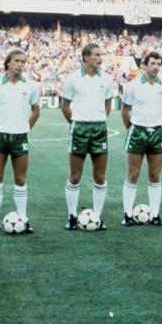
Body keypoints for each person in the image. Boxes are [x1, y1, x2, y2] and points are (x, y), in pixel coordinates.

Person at [0, 50, 40, 232]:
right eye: (16, 61)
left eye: (23, 61)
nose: (20, 64)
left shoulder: (30, 86)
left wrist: (24, 128)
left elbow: (36, 111)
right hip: (0, 136)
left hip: (20, 137)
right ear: (8, 63)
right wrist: (1, 126)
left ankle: (23, 218)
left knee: (20, 179)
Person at [62, 43, 114, 231]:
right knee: (75, 176)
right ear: (85, 57)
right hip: (79, 129)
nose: (100, 58)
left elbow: (108, 104)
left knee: (100, 176)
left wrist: (99, 119)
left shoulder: (107, 79)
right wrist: (77, 123)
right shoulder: (73, 79)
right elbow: (65, 106)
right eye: (96, 55)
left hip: (99, 129)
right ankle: (72, 216)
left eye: (101, 54)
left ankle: (98, 217)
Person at [121, 51, 162, 226]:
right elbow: (125, 110)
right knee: (133, 174)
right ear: (144, 65)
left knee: (155, 175)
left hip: (157, 132)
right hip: (137, 132)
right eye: (152, 63)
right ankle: (127, 214)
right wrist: (132, 128)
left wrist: (157, 124)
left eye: (159, 63)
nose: (156, 67)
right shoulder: (133, 85)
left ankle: (155, 215)